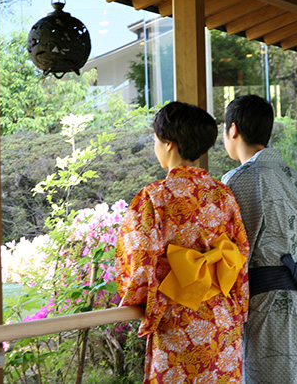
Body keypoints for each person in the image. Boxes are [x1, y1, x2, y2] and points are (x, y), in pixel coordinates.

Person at [115, 101, 249, 383]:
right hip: (222, 323)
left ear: (169, 144)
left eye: (155, 140)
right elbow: (240, 254)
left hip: (179, 319)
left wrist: (141, 306)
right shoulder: (223, 194)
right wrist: (238, 308)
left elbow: (137, 265)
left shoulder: (154, 196)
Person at [221, 94, 297, 384]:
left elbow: (226, 250)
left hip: (269, 308)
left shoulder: (238, 179)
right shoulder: (294, 176)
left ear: (233, 130)